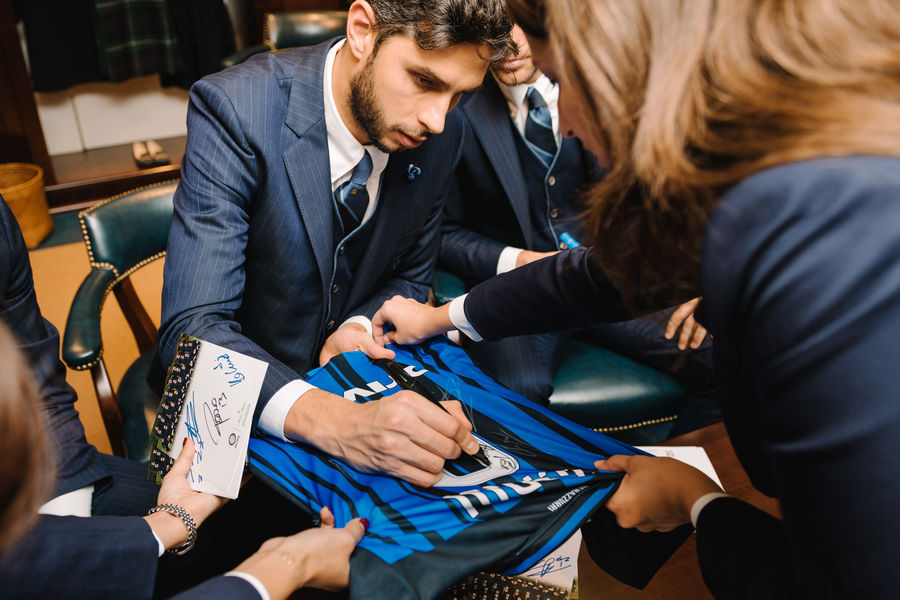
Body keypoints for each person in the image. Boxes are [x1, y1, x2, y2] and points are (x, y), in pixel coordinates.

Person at [373, 0, 900, 596]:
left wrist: (699, 504)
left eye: (565, 79)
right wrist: (442, 317)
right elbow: (600, 276)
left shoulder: (826, 254)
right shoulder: (781, 176)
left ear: (630, 73)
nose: (565, 122)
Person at [158, 0, 514, 489]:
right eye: (423, 80)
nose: (437, 119)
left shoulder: (445, 134)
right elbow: (193, 329)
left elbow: (411, 274)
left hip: (359, 386)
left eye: (459, 95)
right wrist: (336, 422)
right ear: (363, 30)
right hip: (237, 411)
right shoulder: (235, 107)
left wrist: (356, 324)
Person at [440, 22, 715, 428]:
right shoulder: (453, 107)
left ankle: (673, 464)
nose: (510, 43)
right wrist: (519, 260)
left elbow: (676, 192)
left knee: (726, 359)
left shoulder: (619, 86)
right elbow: (442, 233)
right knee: (514, 394)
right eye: (497, 20)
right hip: (518, 293)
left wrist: (702, 277)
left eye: (523, 20)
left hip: (615, 280)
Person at [0, 315, 366, 599]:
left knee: (233, 522)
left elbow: (42, 390)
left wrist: (172, 521)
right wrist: (287, 565)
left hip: (48, 497)